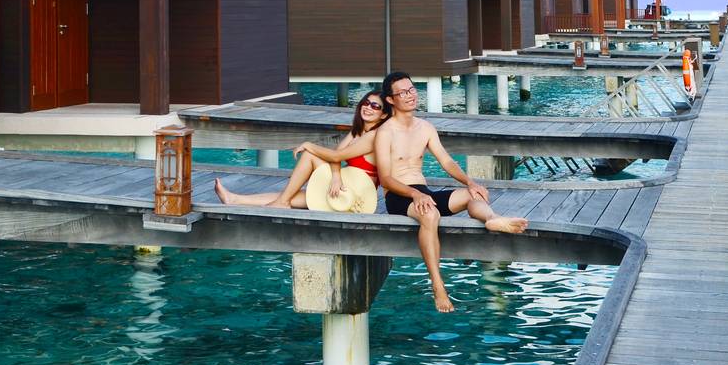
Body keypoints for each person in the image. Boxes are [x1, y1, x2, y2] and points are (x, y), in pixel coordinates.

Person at [375, 71, 529, 312]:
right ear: (391, 100)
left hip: (422, 191)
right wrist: (415, 195)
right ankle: (438, 285)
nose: (410, 95)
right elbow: (385, 179)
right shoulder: (385, 132)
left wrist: (470, 182)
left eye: (412, 89)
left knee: (473, 196)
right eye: (403, 92)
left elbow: (446, 162)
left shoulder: (425, 127)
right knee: (430, 215)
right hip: (399, 195)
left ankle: (492, 219)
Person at [212, 90, 385, 208]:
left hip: (356, 199)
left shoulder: (374, 136)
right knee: (291, 194)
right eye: (367, 102)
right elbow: (336, 159)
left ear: (383, 114)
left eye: (375, 106)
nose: (368, 107)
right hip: (345, 188)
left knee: (309, 155)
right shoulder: (357, 132)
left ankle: (281, 202)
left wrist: (309, 145)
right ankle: (235, 199)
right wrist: (336, 176)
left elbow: (336, 155)